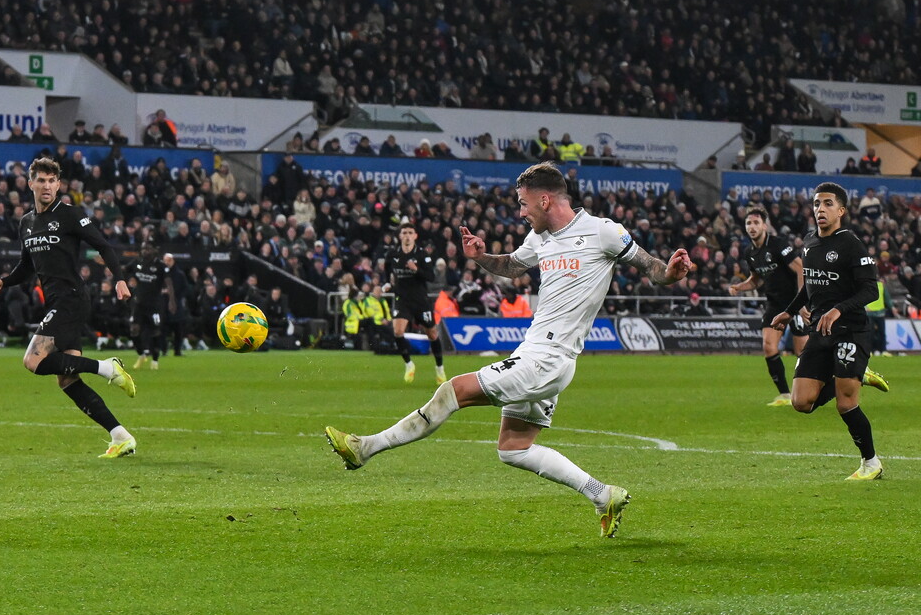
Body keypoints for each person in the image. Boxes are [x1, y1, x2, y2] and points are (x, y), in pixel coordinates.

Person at [325, 162, 692, 538]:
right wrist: (481, 257)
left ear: (545, 199)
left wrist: (672, 272)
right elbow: (514, 267)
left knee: (452, 391)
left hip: (548, 359)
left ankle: (365, 448)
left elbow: (651, 267)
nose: (520, 211)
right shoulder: (541, 238)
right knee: (514, 448)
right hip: (536, 353)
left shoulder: (603, 232)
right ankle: (603, 495)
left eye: (523, 203)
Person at [0, 157, 138, 459]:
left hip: (71, 298)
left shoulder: (69, 215)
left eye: (52, 181)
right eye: (41, 180)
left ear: (59, 185)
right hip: (57, 301)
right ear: (30, 184)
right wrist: (3, 282)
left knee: (33, 361)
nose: (47, 186)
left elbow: (104, 246)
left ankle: (107, 367)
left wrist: (119, 278)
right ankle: (121, 436)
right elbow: (26, 267)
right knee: (67, 378)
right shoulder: (26, 223)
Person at [771, 182, 889, 481]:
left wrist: (839, 309)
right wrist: (790, 310)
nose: (819, 209)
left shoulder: (851, 244)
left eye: (826, 203)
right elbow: (810, 286)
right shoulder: (810, 242)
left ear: (841, 210)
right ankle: (854, 372)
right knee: (801, 402)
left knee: (845, 402)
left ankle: (871, 463)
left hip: (851, 330)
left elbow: (870, 290)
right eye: (816, 204)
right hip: (820, 332)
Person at [729, 207, 809, 406]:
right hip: (774, 304)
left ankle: (816, 389)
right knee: (768, 346)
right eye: (749, 223)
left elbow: (801, 269)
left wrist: (801, 302)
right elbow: (756, 280)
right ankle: (784, 395)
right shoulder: (750, 253)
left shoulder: (778, 244)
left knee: (804, 352)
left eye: (756, 223)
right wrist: (740, 286)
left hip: (794, 302)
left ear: (764, 226)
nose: (752, 227)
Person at [384, 223, 446, 384]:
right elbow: (387, 270)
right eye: (404, 232)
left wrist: (416, 269)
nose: (407, 235)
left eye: (410, 232)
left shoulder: (422, 254)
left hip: (420, 300)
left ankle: (439, 368)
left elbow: (431, 277)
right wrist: (387, 283)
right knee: (397, 331)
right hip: (402, 299)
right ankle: (409, 364)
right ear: (400, 236)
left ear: (415, 236)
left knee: (432, 334)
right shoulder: (392, 254)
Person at [127, 241, 175, 370]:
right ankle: (142, 354)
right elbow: (124, 270)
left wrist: (172, 301)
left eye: (147, 249)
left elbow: (168, 283)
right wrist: (108, 263)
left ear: (154, 250)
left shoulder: (160, 266)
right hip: (139, 304)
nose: (144, 251)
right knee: (133, 330)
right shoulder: (137, 262)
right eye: (143, 248)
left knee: (155, 331)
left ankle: (155, 359)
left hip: (154, 305)